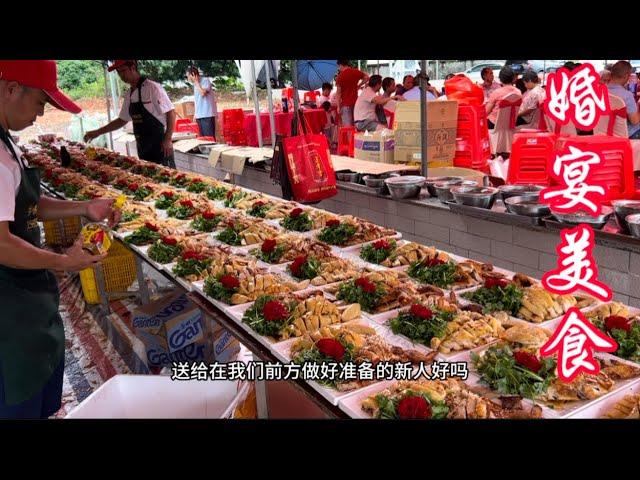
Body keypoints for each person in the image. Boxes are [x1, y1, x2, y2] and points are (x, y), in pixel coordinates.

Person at [0, 60, 121, 418]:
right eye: (40, 103)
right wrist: (63, 260)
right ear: (11, 90)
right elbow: (1, 243)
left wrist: (85, 207)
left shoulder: (7, 144)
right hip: (8, 315)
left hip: (27, 305)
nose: (40, 114)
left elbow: (30, 206)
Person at [84, 60, 176, 168]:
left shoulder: (152, 88)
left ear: (132, 67)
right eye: (118, 72)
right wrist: (98, 132)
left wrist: (168, 139)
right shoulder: (129, 94)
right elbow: (122, 120)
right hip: (143, 148)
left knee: (168, 180)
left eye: (123, 70)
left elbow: (171, 112)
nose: (121, 75)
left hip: (160, 147)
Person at [607, 60, 640, 139]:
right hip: (628, 135)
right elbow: (634, 121)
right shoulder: (627, 95)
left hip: (606, 133)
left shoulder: (600, 91)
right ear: (626, 76)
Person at [335, 60, 368, 126]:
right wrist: (359, 85)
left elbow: (338, 93)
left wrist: (338, 106)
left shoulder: (340, 77)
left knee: (348, 127)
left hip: (345, 104)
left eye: (338, 66)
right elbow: (367, 77)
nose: (338, 68)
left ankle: (350, 136)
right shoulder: (355, 72)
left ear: (340, 65)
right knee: (356, 124)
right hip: (356, 103)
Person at [186, 66, 217, 138]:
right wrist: (195, 114)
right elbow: (197, 100)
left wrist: (196, 82)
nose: (187, 78)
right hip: (199, 115)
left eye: (188, 76)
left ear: (193, 74)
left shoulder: (205, 81)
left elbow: (203, 93)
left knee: (209, 137)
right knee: (203, 138)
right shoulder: (195, 85)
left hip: (207, 114)